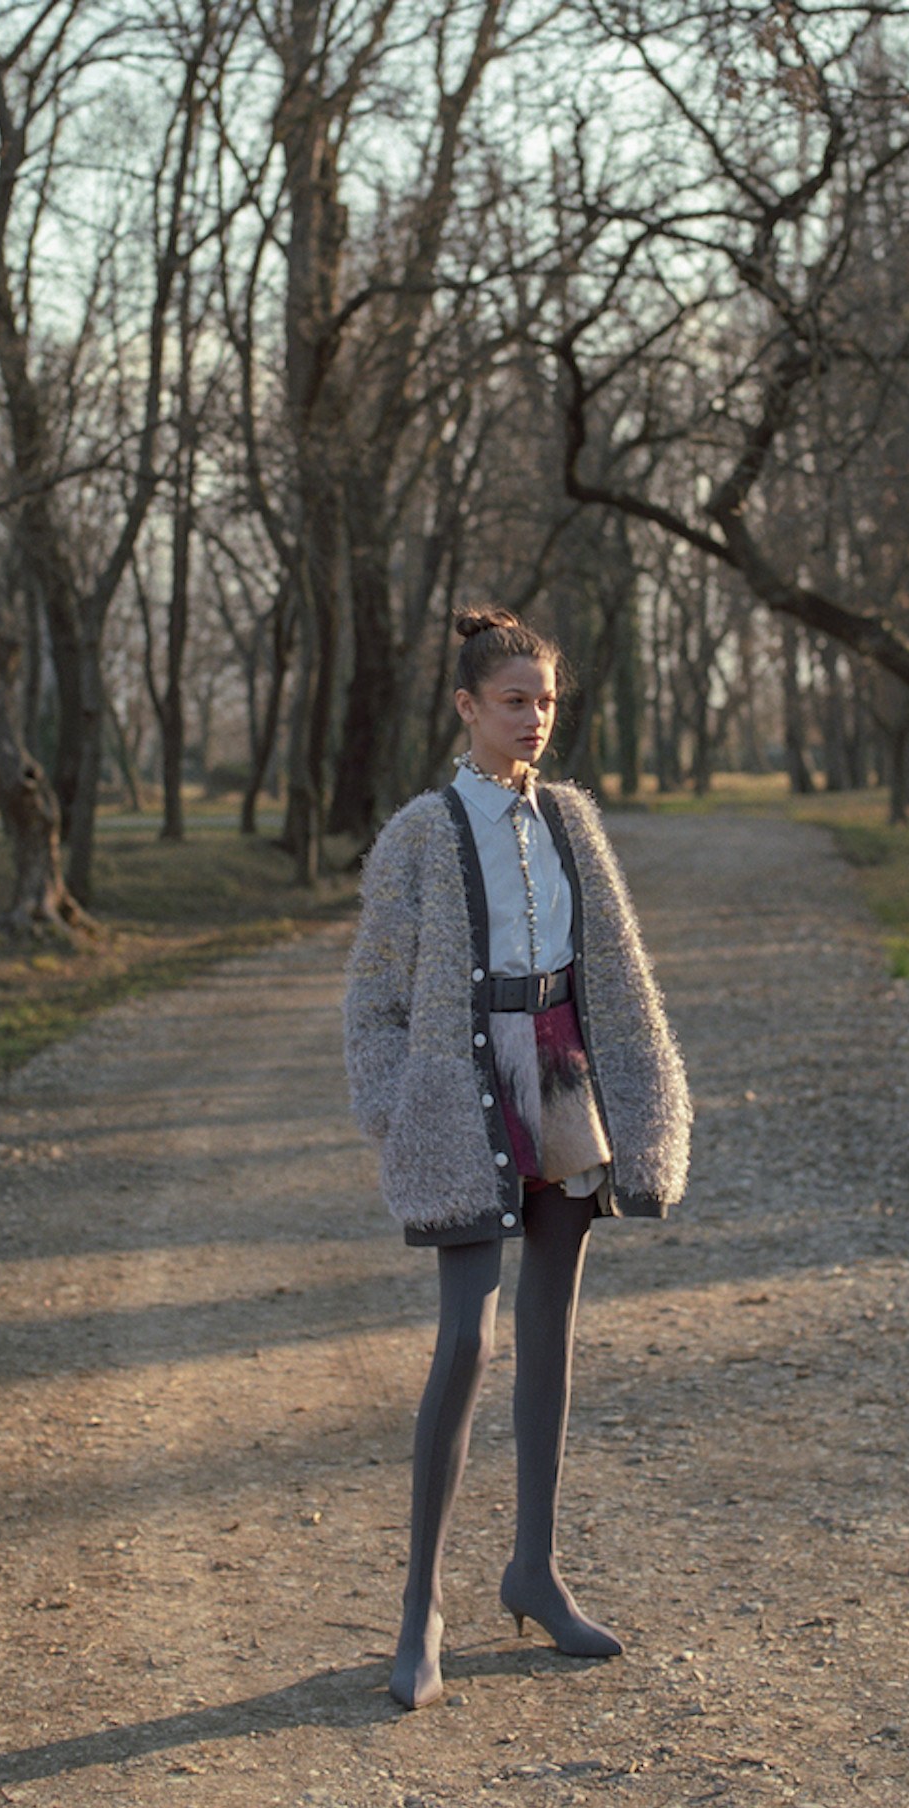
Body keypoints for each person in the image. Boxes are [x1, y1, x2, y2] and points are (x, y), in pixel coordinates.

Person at [344, 605, 692, 1709]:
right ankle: (421, 1611)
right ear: (466, 707)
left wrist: (639, 1097)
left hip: (561, 1077)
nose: (535, 717)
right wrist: (398, 1108)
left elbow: (617, 968)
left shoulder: (573, 820)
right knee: (466, 1340)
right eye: (513, 700)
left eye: (546, 699)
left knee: (552, 1329)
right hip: (463, 1089)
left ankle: (534, 1572)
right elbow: (374, 994)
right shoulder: (419, 833)